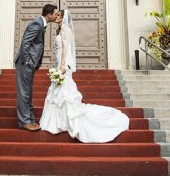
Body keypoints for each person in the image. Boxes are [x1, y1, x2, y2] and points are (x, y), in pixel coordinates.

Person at [40, 9, 129, 143]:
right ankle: (58, 121)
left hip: (64, 63)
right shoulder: (59, 30)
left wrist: (63, 65)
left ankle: (63, 121)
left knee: (64, 92)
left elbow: (65, 48)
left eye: (59, 15)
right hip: (60, 62)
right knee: (58, 91)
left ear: (64, 18)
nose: (57, 16)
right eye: (56, 14)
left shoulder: (66, 30)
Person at [15, 4, 58, 131]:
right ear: (49, 15)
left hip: (31, 64)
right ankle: (24, 121)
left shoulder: (41, 24)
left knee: (28, 92)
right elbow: (25, 43)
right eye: (54, 13)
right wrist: (27, 61)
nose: (56, 15)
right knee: (24, 92)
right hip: (25, 64)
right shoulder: (36, 24)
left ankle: (30, 119)